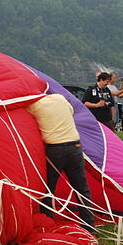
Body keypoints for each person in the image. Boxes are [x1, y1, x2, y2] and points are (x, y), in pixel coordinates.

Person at [26, 94, 96, 232]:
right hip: (75, 147)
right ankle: (89, 224)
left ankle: (47, 222)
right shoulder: (60, 98)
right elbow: (71, 111)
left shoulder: (34, 105)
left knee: (48, 189)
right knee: (82, 189)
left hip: (54, 150)